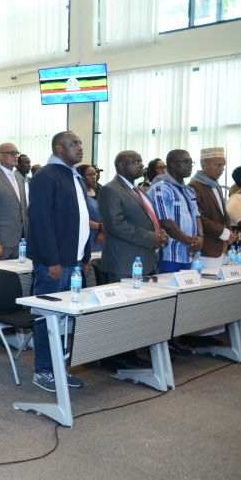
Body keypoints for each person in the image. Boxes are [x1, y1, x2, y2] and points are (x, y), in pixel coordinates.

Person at [27, 131, 90, 392]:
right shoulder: (45, 176)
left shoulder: (74, 176)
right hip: (54, 263)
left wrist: (84, 256)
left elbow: (80, 218)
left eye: (80, 143)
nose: (80, 147)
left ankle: (60, 367)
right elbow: (41, 222)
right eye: (74, 143)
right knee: (47, 317)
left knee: (66, 319)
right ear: (59, 149)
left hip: (73, 261)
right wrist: (52, 260)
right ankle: (43, 371)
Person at [98, 150, 169, 370]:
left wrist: (160, 235)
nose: (140, 165)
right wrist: (152, 238)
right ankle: (113, 357)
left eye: (140, 161)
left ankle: (130, 352)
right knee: (120, 314)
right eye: (135, 162)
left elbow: (149, 220)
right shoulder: (111, 190)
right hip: (124, 261)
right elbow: (116, 225)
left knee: (135, 313)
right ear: (120, 165)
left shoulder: (138, 190)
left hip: (143, 258)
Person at [149, 149, 203, 273]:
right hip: (170, 255)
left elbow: (197, 216)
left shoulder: (189, 190)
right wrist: (190, 243)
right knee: (170, 291)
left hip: (190, 255)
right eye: (186, 161)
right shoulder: (161, 188)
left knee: (189, 291)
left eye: (191, 162)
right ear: (172, 165)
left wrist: (201, 237)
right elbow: (166, 222)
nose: (190, 165)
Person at [188, 147, 235, 268]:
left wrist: (227, 237)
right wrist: (224, 233)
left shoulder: (215, 185)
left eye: (223, 165)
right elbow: (199, 217)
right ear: (204, 165)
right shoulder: (194, 186)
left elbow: (224, 215)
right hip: (206, 249)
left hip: (221, 246)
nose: (222, 169)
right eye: (218, 165)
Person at [0, 143, 28, 261]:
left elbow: (23, 208)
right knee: (0, 278)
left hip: (21, 241)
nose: (15, 156)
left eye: (16, 153)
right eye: (11, 153)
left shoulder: (19, 178)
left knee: (19, 277)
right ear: (0, 157)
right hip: (1, 242)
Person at [78, 164, 104, 252]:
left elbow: (107, 214)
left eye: (95, 174)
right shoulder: (78, 195)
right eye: (90, 175)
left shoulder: (100, 191)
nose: (94, 177)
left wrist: (102, 232)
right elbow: (79, 218)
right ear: (81, 177)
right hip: (85, 238)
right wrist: (100, 227)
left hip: (102, 238)